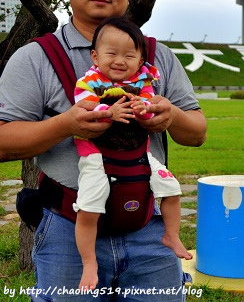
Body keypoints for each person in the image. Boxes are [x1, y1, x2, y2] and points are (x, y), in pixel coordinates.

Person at [0, 0, 207, 300]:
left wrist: (171, 116)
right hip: (66, 228)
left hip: (149, 227)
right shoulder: (36, 58)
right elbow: (0, 144)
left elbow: (197, 132)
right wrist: (67, 124)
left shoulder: (157, 57)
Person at [73, 16, 193, 291]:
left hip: (139, 153)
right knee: (89, 209)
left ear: (140, 61)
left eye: (129, 55)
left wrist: (148, 108)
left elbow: (151, 105)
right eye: (111, 53)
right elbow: (83, 108)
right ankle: (89, 261)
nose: (119, 60)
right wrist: (108, 111)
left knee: (171, 189)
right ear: (95, 56)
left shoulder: (142, 81)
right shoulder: (90, 82)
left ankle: (171, 235)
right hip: (96, 157)